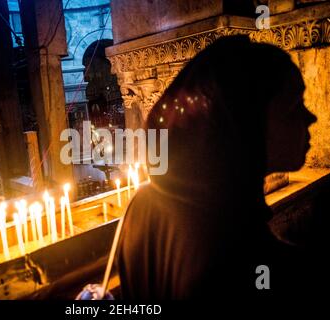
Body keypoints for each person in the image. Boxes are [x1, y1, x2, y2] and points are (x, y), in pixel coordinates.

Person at [116, 35, 318, 300]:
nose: (311, 117)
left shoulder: (143, 205)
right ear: (246, 126)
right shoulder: (253, 259)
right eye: (294, 107)